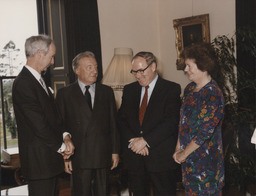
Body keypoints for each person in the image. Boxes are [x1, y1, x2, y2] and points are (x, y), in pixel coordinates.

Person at [12, 34, 75, 196]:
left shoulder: (39, 81)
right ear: (40, 54)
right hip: (39, 164)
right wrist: (62, 148)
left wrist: (66, 136)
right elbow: (38, 124)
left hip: (48, 163)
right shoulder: (23, 83)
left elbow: (53, 117)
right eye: (51, 56)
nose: (53, 62)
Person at [56, 51, 120, 196]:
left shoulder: (106, 92)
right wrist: (66, 157)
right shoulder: (64, 94)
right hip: (79, 156)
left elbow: (113, 125)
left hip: (102, 154)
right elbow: (60, 126)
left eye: (96, 67)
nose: (95, 71)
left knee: (102, 192)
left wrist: (115, 151)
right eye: (89, 67)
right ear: (77, 70)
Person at [118, 51, 181, 196]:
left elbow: (171, 122)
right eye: (134, 71)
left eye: (141, 71)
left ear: (153, 66)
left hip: (160, 158)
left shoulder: (171, 89)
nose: (137, 75)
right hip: (135, 158)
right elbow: (121, 119)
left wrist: (146, 141)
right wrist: (134, 143)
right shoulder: (129, 90)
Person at [173, 43, 225, 195]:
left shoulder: (213, 94)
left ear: (203, 66)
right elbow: (182, 122)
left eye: (189, 65)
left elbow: (204, 133)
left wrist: (184, 153)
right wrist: (178, 148)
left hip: (206, 166)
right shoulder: (189, 89)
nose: (185, 69)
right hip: (188, 162)